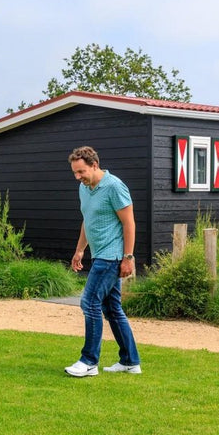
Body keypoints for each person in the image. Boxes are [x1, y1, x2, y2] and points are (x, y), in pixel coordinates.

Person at [65, 146, 142, 377]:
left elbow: (129, 224)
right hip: (98, 254)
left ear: (94, 165)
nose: (78, 177)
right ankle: (130, 361)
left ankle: (89, 362)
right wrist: (80, 250)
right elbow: (87, 220)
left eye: (81, 172)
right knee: (112, 308)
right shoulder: (84, 188)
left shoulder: (114, 187)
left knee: (89, 303)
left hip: (112, 257)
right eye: (75, 173)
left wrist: (128, 258)